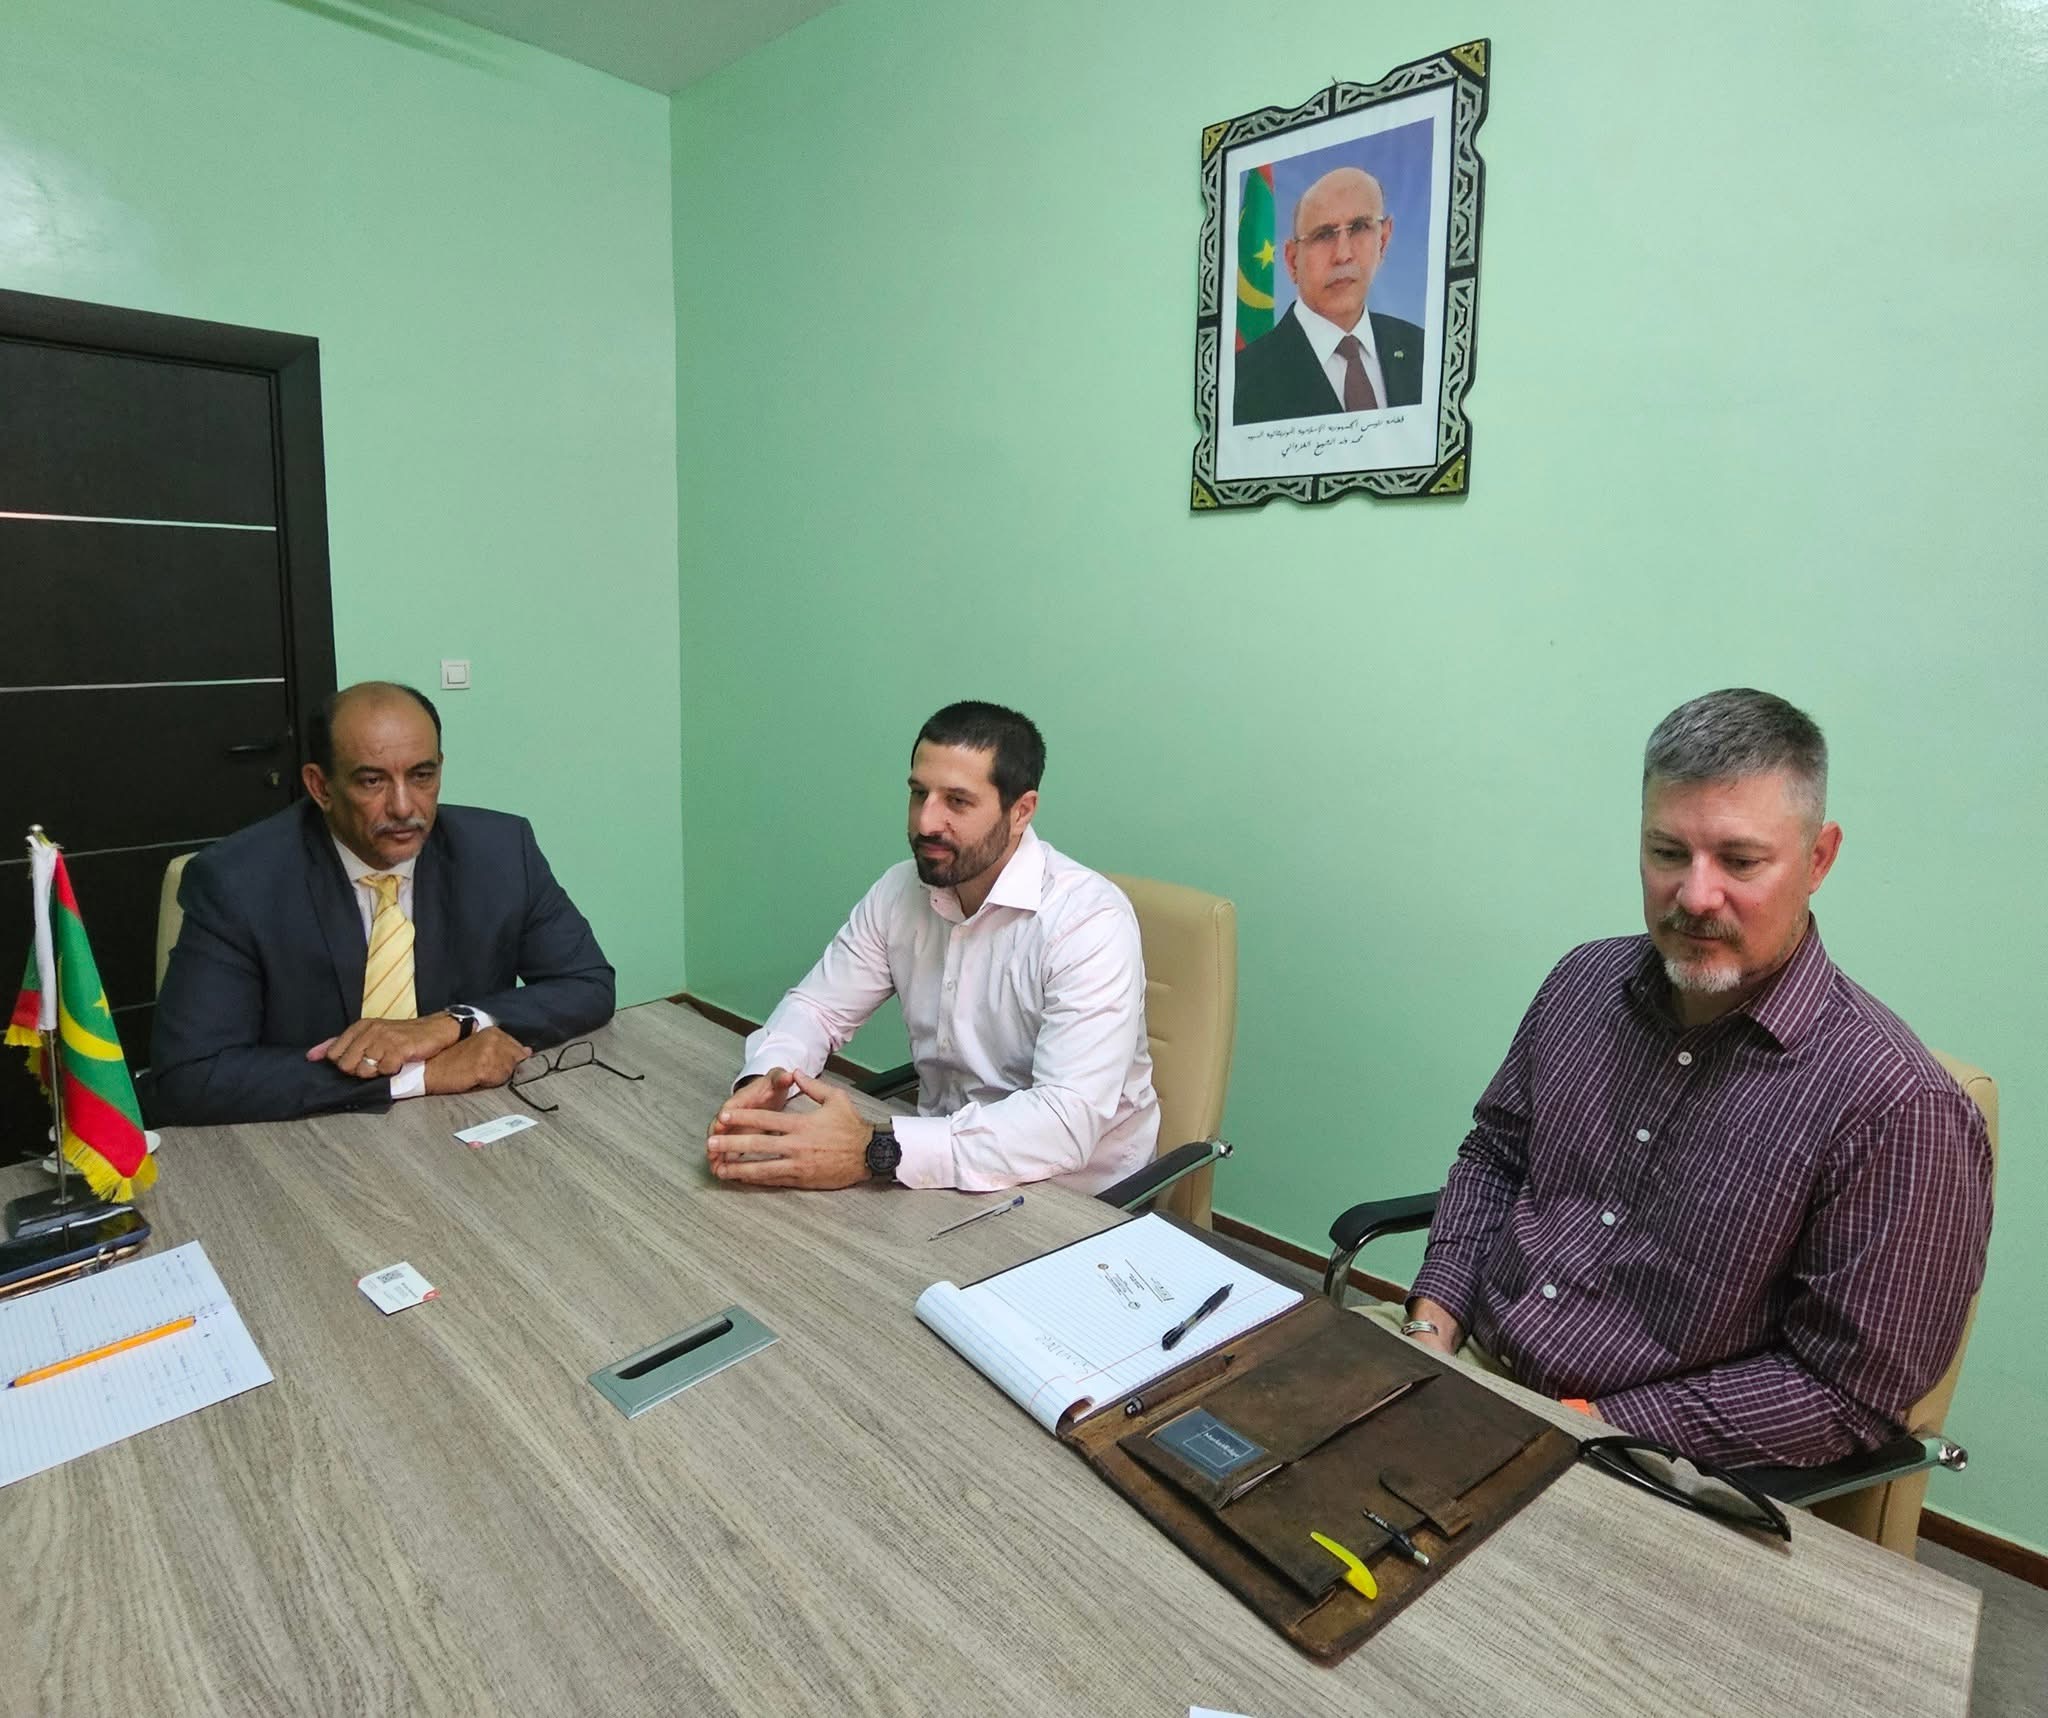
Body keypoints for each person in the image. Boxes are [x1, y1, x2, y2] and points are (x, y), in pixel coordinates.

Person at [1398, 689, 1992, 1470]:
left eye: (1740, 861)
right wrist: (1432, 1323)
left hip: (1644, 1455)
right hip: (1462, 1360)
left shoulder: (1899, 1107)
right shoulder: (1582, 982)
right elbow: (1494, 1158)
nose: (1695, 895)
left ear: (1818, 859)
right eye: (1668, 853)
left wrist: (1584, 1425)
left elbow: (1845, 1392)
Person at [706, 701, 1158, 1194]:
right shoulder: (900, 891)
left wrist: (874, 1150)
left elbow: (1063, 1123)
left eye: (957, 802)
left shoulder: (1088, 921)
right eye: (919, 793)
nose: (925, 823)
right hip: (935, 1170)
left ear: (1021, 811)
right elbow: (818, 1010)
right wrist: (765, 1082)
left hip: (1076, 1197)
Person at [146, 681, 615, 1125]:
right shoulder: (238, 881)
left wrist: (454, 1023)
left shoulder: (501, 852)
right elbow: (189, 1076)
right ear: (320, 787)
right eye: (372, 781)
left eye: (422, 775)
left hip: (469, 1120)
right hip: (311, 1136)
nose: (404, 807)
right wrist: (418, 1076)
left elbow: (588, 984)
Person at [1233, 166, 1425, 424]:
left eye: (1359, 227)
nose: (1343, 255)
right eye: (1323, 235)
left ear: (1383, 240)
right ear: (1292, 260)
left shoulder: (1422, 351)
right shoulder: (1242, 380)